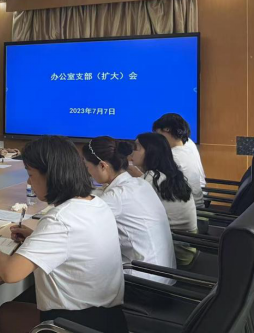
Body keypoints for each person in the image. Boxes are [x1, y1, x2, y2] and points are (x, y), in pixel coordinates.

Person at [0, 136, 128, 333]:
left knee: (7, 312)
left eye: (31, 174)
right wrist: (36, 236)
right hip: (111, 318)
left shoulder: (60, 219)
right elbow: (74, 241)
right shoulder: (97, 203)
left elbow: (11, 273)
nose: (29, 181)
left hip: (73, 324)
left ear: (51, 175)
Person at [82, 136, 176, 284]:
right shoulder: (140, 183)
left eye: (88, 167)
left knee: (81, 263)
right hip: (164, 275)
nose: (89, 173)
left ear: (102, 166)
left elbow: (80, 222)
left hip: (145, 283)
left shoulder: (117, 196)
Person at [130, 132, 198, 265]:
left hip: (175, 251)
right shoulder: (170, 174)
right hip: (188, 245)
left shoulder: (151, 179)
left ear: (150, 152)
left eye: (136, 148)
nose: (132, 153)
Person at [152, 113, 205, 207]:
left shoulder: (172, 156)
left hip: (188, 207)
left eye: (158, 135)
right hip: (196, 203)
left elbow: (154, 183)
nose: (157, 140)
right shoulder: (188, 147)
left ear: (167, 130)